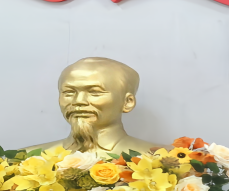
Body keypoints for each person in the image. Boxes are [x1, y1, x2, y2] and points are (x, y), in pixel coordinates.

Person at [23, 57, 161, 155]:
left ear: (127, 102)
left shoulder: (160, 160)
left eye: (94, 92)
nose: (79, 101)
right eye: (69, 92)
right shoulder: (25, 160)